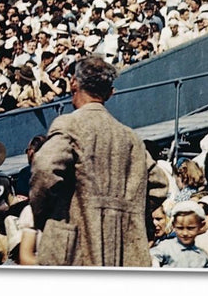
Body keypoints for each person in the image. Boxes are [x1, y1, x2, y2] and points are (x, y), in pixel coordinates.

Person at [28, 56, 154, 267]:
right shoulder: (131, 137)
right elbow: (159, 185)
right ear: (110, 92)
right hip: (124, 251)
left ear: (73, 83)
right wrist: (129, 214)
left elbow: (44, 167)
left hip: (73, 249)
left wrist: (45, 215)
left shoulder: (69, 124)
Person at [151, 202, 208, 268]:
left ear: (201, 225)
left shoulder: (202, 256)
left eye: (190, 228)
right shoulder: (165, 247)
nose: (185, 233)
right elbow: (153, 258)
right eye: (180, 228)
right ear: (173, 225)